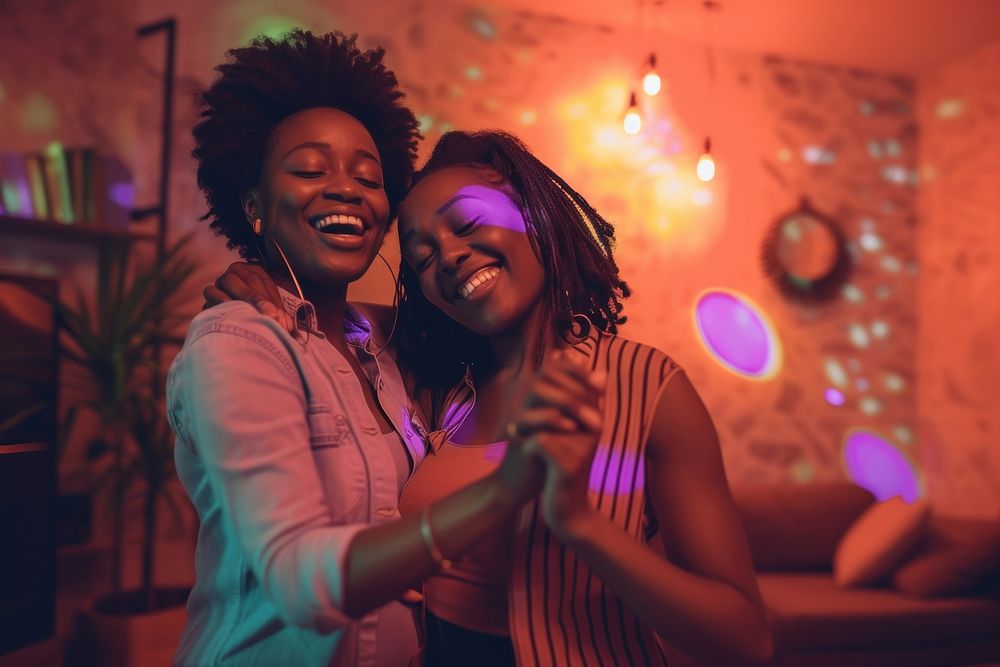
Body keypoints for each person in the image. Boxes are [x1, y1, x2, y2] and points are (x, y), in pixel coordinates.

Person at [210, 130, 775, 666]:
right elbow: (323, 322)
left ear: (533, 211)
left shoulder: (647, 385)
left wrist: (581, 525)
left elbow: (746, 641)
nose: (448, 256)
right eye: (423, 256)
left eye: (467, 222)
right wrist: (257, 287)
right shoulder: (437, 381)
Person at [169, 32, 595, 666]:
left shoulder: (389, 354)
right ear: (254, 206)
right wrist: (505, 489)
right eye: (310, 169)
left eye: (368, 178)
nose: (345, 189)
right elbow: (296, 580)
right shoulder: (239, 342)